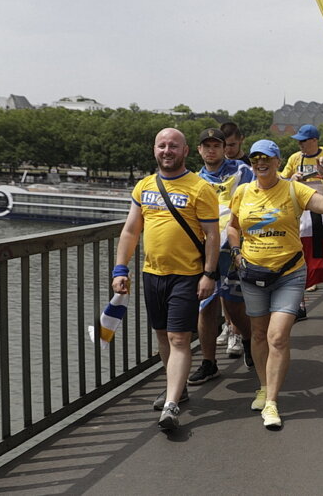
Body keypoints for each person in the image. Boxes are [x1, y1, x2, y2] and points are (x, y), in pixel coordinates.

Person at [111, 128, 220, 431]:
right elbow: (132, 230)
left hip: (187, 275)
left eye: (174, 146)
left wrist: (209, 273)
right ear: (154, 150)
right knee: (162, 335)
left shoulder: (200, 188)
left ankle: (171, 405)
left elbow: (212, 235)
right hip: (152, 273)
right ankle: (178, 387)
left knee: (179, 338)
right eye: (162, 146)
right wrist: (120, 268)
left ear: (186, 151)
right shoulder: (144, 186)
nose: (167, 151)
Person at [227, 139, 323, 430]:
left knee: (278, 336)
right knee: (259, 334)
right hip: (252, 273)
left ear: (278, 161)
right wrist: (236, 252)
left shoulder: (293, 188)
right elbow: (232, 225)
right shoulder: (242, 192)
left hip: (289, 273)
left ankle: (273, 403)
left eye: (266, 158)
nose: (260, 163)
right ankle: (263, 387)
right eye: (255, 159)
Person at [187, 128, 256, 387]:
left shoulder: (241, 170)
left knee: (235, 306)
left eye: (216, 145)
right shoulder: (193, 180)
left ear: (223, 147)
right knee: (205, 305)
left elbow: (256, 199)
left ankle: (248, 340)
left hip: (234, 250)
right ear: (199, 150)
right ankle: (209, 363)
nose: (211, 150)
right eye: (206, 146)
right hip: (205, 252)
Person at [280, 123, 323, 317]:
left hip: (322, 210)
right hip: (300, 213)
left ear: (314, 140)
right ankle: (300, 304)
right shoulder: (294, 158)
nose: (299, 144)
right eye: (298, 141)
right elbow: (281, 180)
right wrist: (292, 179)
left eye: (303, 141)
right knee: (300, 254)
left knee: (322, 252)